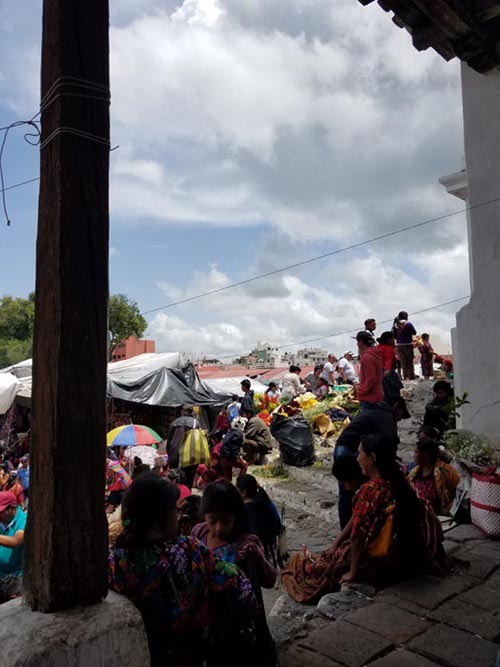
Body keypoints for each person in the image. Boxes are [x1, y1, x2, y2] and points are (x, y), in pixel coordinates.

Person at [109, 474, 257, 667]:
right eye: (173, 510)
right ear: (161, 516)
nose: (177, 516)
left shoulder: (115, 561)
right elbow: (242, 590)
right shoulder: (188, 550)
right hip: (187, 656)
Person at [283, 434, 432, 604]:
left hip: (377, 560)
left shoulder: (370, 491)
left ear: (372, 458)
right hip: (396, 553)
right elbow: (357, 520)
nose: (357, 458)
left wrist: (352, 573)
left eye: (360, 453)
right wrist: (336, 542)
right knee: (333, 554)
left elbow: (357, 536)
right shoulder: (399, 480)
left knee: (315, 568)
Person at [192, 481, 276, 666]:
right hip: (208, 620)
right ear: (204, 515)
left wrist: (257, 560)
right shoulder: (198, 533)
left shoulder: (246, 542)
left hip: (238, 625)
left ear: (236, 517)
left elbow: (270, 579)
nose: (219, 528)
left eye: (226, 520)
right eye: (213, 520)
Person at [236, 474, 282, 567]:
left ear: (243, 492)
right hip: (268, 547)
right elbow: (278, 524)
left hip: (251, 551)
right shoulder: (267, 503)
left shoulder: (242, 511)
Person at [407, 439, 460, 516]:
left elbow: (459, 492)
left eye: (416, 452)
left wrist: (449, 509)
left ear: (426, 454)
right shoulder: (413, 474)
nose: (413, 455)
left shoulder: (446, 471)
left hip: (440, 518)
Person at [0, 491, 26, 603]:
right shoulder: (2, 521)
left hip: (17, 576)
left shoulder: (23, 519)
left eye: (1, 512)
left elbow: (16, 541)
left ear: (12, 508)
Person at [210, 417, 249, 482]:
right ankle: (240, 482)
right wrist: (242, 460)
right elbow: (235, 451)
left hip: (223, 458)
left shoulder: (229, 433)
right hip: (229, 458)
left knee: (228, 478)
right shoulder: (238, 435)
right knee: (244, 466)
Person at [355, 331, 383, 408]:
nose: (357, 344)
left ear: (361, 342)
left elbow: (371, 378)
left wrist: (361, 391)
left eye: (357, 342)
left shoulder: (367, 357)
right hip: (376, 394)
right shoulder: (374, 354)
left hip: (370, 397)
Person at [377, 331, 403, 404]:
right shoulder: (389, 349)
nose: (394, 341)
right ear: (388, 340)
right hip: (388, 375)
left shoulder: (377, 348)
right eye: (392, 339)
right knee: (394, 396)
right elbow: (388, 365)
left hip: (378, 374)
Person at [392, 311, 417, 380]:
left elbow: (394, 335)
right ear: (406, 316)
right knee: (409, 361)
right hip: (408, 344)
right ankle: (411, 376)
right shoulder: (408, 324)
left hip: (399, 345)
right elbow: (414, 332)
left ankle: (405, 375)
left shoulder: (395, 325)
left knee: (403, 361)